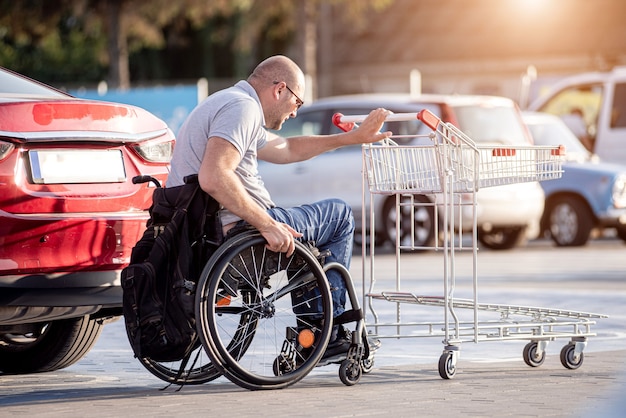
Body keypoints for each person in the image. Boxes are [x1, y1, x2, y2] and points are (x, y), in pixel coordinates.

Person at [166, 55, 391, 357]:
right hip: (238, 235)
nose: (295, 113)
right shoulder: (241, 109)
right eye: (297, 102)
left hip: (203, 236)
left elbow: (287, 148)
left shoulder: (229, 102)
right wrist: (267, 224)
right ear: (279, 89)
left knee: (307, 235)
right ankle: (327, 332)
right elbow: (214, 176)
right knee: (338, 216)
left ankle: (312, 333)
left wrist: (350, 138)